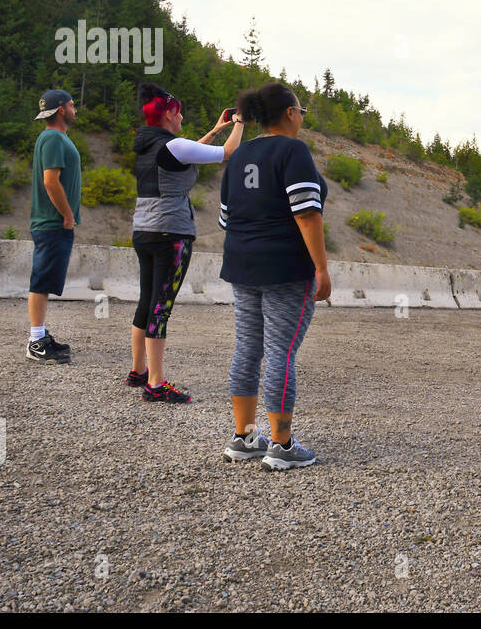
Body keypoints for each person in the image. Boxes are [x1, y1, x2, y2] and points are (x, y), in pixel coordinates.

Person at [218, 82, 332, 469]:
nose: (302, 118)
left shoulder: (238, 154)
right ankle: (281, 445)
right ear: (288, 113)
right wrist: (321, 267)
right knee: (281, 352)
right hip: (285, 266)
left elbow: (225, 217)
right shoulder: (293, 150)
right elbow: (306, 212)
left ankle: (245, 437)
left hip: (241, 262)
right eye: (301, 111)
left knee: (248, 347)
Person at [125, 83, 245, 403]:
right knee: (160, 308)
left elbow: (186, 151)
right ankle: (156, 383)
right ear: (168, 113)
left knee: (147, 300)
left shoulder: (150, 143)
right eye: (178, 112)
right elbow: (228, 154)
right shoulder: (173, 145)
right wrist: (241, 123)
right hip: (171, 234)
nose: (181, 117)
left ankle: (139, 371)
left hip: (144, 230)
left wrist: (216, 130)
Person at [26, 89, 81, 363]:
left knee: (46, 279)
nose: (75, 109)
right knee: (41, 279)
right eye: (72, 105)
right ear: (61, 110)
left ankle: (41, 335)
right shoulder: (53, 138)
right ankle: (35, 341)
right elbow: (50, 181)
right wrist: (68, 216)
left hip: (52, 223)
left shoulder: (54, 138)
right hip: (52, 222)